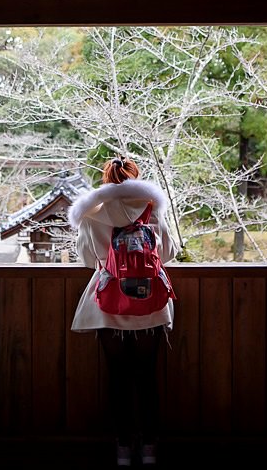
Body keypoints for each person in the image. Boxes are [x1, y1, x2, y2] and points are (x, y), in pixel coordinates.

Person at [67, 156, 177, 467]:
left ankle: (123, 450)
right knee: (147, 376)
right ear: (135, 178)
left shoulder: (92, 214)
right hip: (151, 304)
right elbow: (167, 253)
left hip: (109, 302)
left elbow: (89, 259)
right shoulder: (151, 208)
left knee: (118, 377)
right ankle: (151, 448)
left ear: (107, 179)